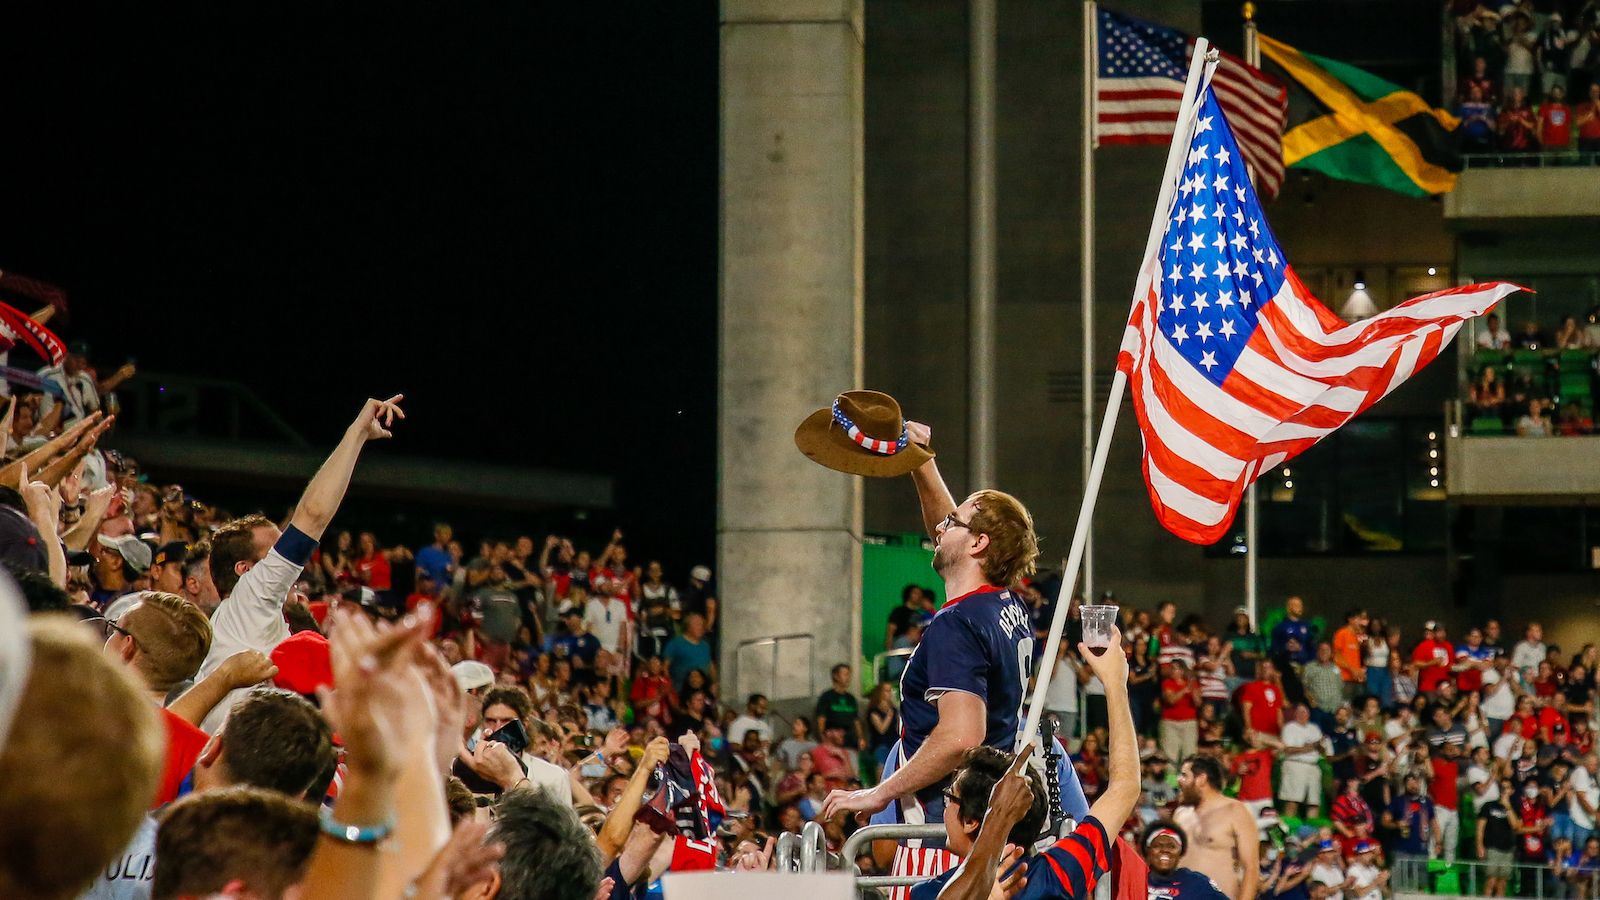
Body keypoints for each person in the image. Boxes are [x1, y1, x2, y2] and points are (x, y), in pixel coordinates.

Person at [822, 416, 1089, 853]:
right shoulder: (1006, 603)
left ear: (979, 544)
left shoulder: (957, 622)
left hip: (947, 825)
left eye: (955, 522)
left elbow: (961, 736)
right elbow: (956, 538)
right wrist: (921, 463)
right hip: (985, 805)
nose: (940, 528)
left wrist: (879, 792)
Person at [195, 395, 406, 734]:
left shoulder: (245, 622)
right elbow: (312, 516)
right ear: (245, 570)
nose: (288, 557)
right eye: (274, 549)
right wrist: (356, 434)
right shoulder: (250, 597)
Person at [906, 625, 1136, 900]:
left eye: (949, 797)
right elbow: (1125, 788)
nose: (944, 808)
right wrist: (1115, 685)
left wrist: (998, 821)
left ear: (970, 821)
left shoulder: (928, 893)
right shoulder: (1058, 871)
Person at [1172, 753, 1260, 897]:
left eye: (1184, 775)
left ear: (1201, 779)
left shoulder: (1235, 810)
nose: (1179, 780)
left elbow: (1251, 868)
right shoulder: (1180, 813)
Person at [1142, 821, 1227, 899]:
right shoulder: (1136, 879)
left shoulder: (1196, 883)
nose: (1165, 850)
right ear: (1147, 850)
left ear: (1181, 852)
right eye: (1158, 845)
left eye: (1171, 846)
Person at [1279, 704, 1325, 820]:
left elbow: (1323, 751)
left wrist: (1319, 745)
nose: (1303, 714)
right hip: (1296, 765)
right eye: (1300, 712)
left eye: (1305, 712)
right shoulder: (1290, 728)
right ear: (1295, 714)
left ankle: (1312, 827)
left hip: (1313, 766)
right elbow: (1287, 749)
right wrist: (1309, 747)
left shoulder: (1314, 728)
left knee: (1313, 802)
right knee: (1292, 800)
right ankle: (1288, 827)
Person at [815, 663, 865, 751]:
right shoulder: (826, 697)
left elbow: (856, 721)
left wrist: (861, 738)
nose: (848, 678)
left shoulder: (851, 698)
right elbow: (821, 719)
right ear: (836, 676)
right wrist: (822, 737)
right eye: (845, 674)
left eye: (849, 674)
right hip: (833, 737)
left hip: (850, 738)